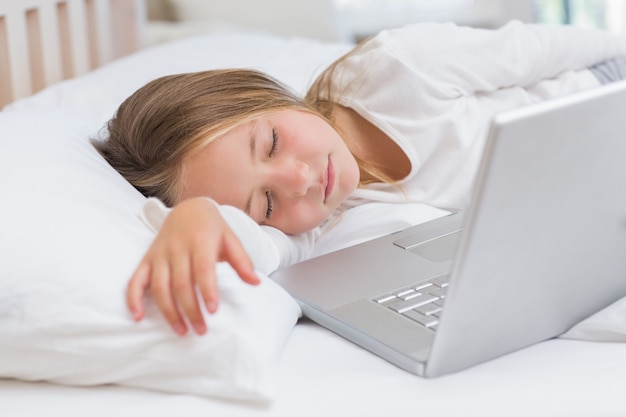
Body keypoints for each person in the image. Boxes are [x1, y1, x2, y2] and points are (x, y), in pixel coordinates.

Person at [94, 20, 626, 336]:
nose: (300, 180)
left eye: (273, 142)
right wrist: (195, 217)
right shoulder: (317, 233)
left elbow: (568, 49)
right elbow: (255, 248)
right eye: (267, 204)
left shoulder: (402, 69)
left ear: (267, 95)